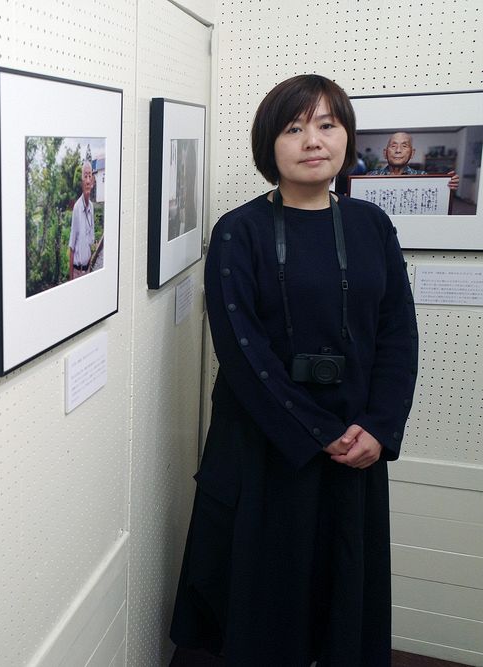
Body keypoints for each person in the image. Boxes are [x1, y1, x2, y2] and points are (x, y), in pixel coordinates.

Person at [170, 75, 418, 666]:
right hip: (262, 448)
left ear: (347, 137)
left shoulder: (371, 226)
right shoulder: (239, 230)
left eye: (328, 125)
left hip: (355, 446)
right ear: (269, 144)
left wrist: (379, 427)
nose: (313, 140)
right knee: (258, 606)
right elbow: (242, 353)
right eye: (294, 127)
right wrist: (319, 433)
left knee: (341, 600)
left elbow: (397, 334)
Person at [367, 131, 459, 190]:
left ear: (412, 153)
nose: (398, 150)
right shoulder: (371, 176)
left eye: (404, 146)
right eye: (393, 146)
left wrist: (448, 185)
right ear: (385, 153)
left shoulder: (423, 177)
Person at [68, 159, 96, 280]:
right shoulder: (77, 209)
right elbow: (71, 247)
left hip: (88, 271)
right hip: (77, 272)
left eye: (90, 176)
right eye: (85, 176)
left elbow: (91, 242)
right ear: (82, 182)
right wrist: (71, 279)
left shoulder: (92, 207)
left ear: (93, 182)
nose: (88, 180)